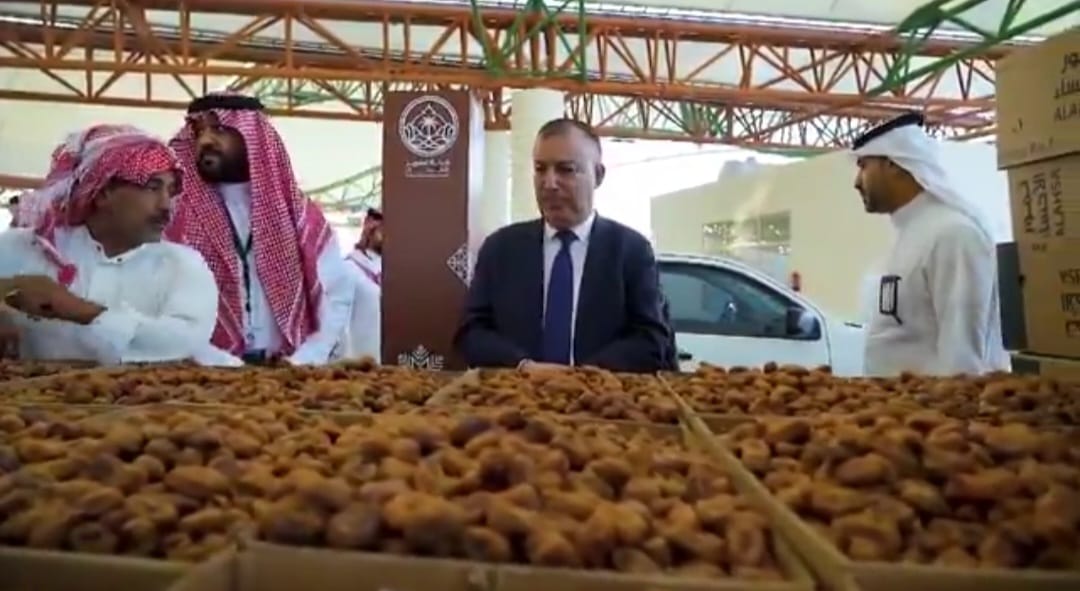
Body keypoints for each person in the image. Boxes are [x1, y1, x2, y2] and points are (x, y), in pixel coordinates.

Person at [454, 118, 671, 373]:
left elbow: (651, 339)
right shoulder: (500, 249)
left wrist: (582, 376)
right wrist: (523, 367)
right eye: (540, 169)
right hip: (516, 392)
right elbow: (472, 332)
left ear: (598, 175)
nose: (549, 183)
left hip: (600, 395)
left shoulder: (631, 251)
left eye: (566, 169)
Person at [0, 124, 218, 364]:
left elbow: (185, 342)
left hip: (148, 388)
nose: (166, 205)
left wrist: (77, 309)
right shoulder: (20, 248)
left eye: (170, 191)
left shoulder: (183, 265)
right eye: (152, 187)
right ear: (103, 193)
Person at [165, 92, 353, 366]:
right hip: (202, 372)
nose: (205, 141)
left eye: (219, 129)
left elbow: (334, 296)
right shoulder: (173, 216)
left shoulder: (300, 216)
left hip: (289, 371)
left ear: (252, 137)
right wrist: (214, 362)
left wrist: (305, 359)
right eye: (199, 131)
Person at [852, 111, 1008, 376]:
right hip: (898, 401)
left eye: (864, 166)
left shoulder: (953, 234)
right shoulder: (910, 233)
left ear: (893, 164)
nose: (857, 182)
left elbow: (963, 357)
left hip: (934, 401)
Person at [339, 208, 383, 361]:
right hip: (360, 364)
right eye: (379, 220)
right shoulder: (348, 268)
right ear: (369, 223)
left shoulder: (403, 270)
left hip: (396, 366)